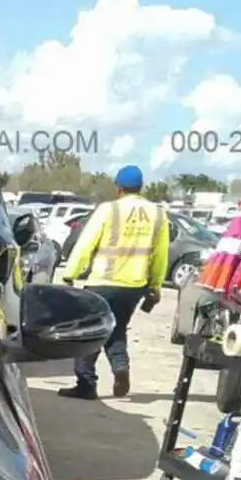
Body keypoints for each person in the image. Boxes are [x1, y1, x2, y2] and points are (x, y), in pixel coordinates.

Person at [58, 165, 170, 400]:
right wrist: (155, 286)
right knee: (116, 329)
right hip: (134, 286)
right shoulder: (158, 214)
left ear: (118, 187)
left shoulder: (108, 210)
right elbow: (161, 256)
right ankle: (120, 367)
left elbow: (86, 243)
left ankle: (86, 384)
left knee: (89, 331)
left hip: (103, 281)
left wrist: (71, 272)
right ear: (141, 187)